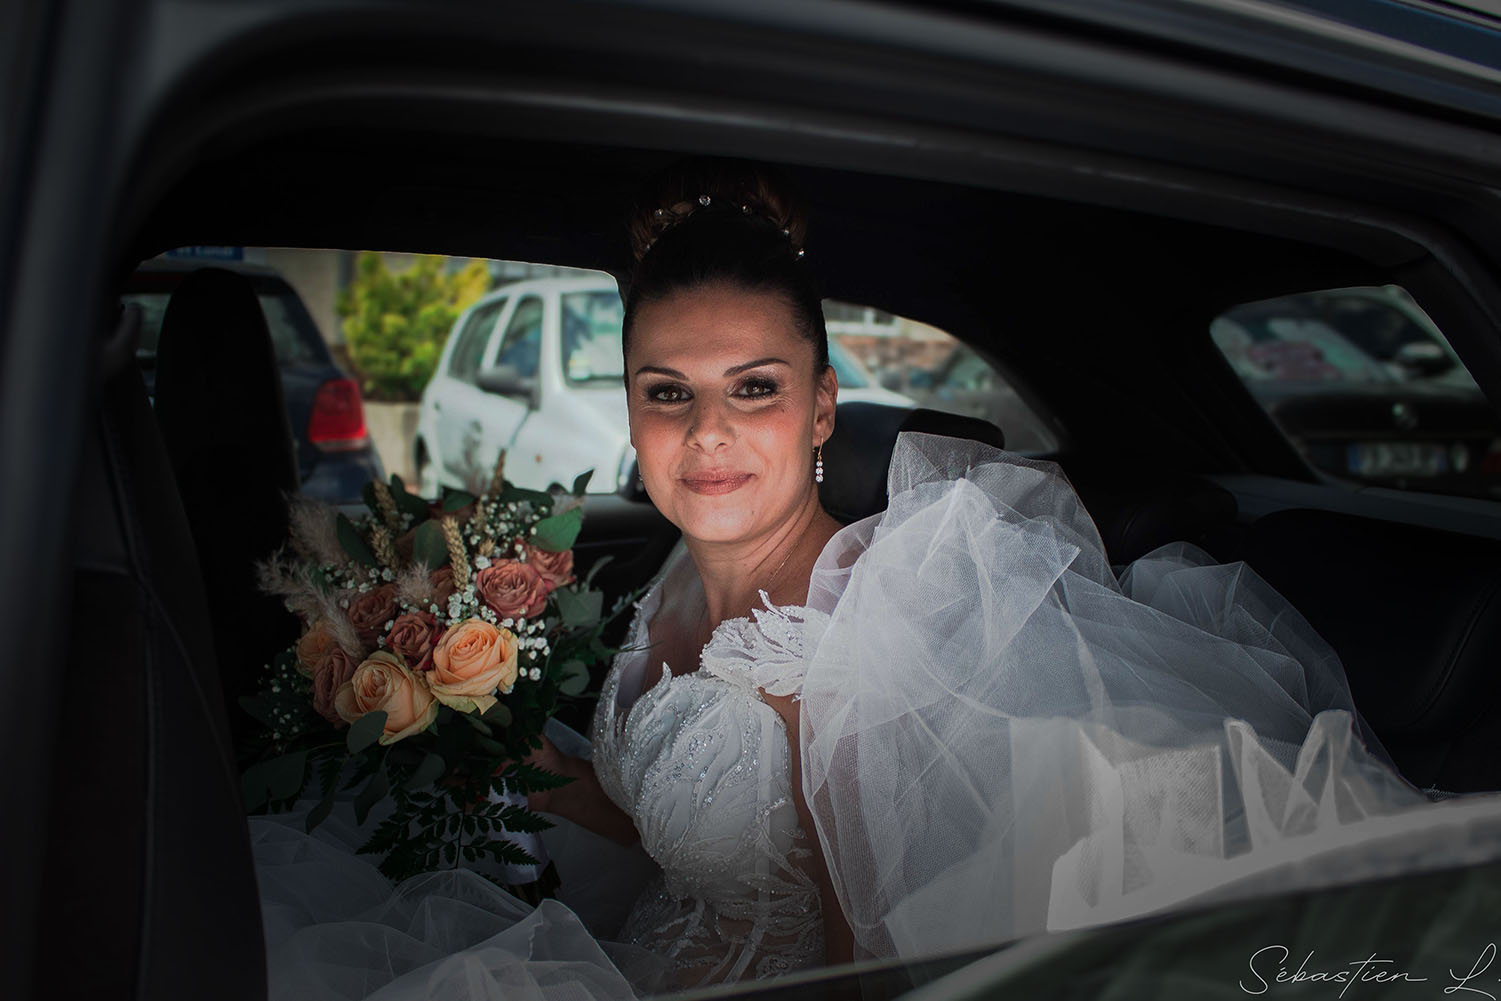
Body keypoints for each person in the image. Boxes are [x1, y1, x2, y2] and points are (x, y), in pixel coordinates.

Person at [250, 159, 1488, 1000]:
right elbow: (681, 829)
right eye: (666, 393)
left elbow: (871, 958)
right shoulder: (675, 569)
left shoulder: (871, 617)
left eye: (755, 388)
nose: (709, 437)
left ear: (823, 405)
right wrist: (475, 735)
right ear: (629, 408)